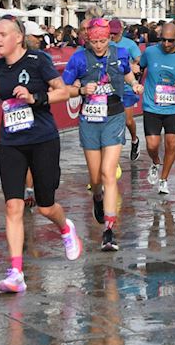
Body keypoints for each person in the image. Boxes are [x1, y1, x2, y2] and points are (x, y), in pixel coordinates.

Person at [0, 15, 81, 293]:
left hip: (42, 139)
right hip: (11, 141)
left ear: (18, 37)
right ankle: (16, 272)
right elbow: (5, 93)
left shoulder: (38, 61)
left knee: (45, 206)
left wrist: (35, 99)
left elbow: (64, 92)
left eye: (2, 34)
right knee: (13, 205)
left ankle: (65, 227)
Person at [61, 19, 143, 251]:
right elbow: (62, 88)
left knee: (109, 173)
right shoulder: (78, 58)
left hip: (114, 117)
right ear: (88, 40)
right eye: (94, 41)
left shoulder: (121, 54)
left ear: (110, 38)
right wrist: (79, 90)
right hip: (89, 120)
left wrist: (135, 84)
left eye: (103, 41)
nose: (98, 46)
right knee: (96, 178)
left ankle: (109, 230)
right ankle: (97, 197)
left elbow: (127, 74)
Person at [139, 22, 175, 195]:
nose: (166, 44)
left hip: (173, 109)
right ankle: (156, 162)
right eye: (163, 40)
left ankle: (164, 180)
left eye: (170, 41)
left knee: (171, 144)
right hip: (151, 106)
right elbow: (140, 68)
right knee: (152, 145)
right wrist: (135, 81)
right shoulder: (150, 52)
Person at [108, 19, 143, 161]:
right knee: (115, 121)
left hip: (127, 87)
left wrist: (132, 65)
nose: (112, 36)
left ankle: (134, 140)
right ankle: (113, 152)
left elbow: (139, 59)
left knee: (128, 121)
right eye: (110, 33)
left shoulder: (129, 44)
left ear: (121, 31)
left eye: (115, 34)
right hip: (112, 88)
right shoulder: (105, 44)